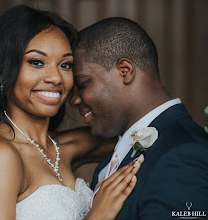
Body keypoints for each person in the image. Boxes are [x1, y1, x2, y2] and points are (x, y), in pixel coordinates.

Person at [0, 5, 144, 220]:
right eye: (37, 62)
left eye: (65, 65)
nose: (56, 78)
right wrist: (98, 215)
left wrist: (94, 99)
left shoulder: (66, 147)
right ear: (1, 72)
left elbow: (146, 131)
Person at [70, 17, 208, 219]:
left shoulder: (183, 155)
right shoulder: (110, 161)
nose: (73, 100)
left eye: (82, 84)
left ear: (124, 71)